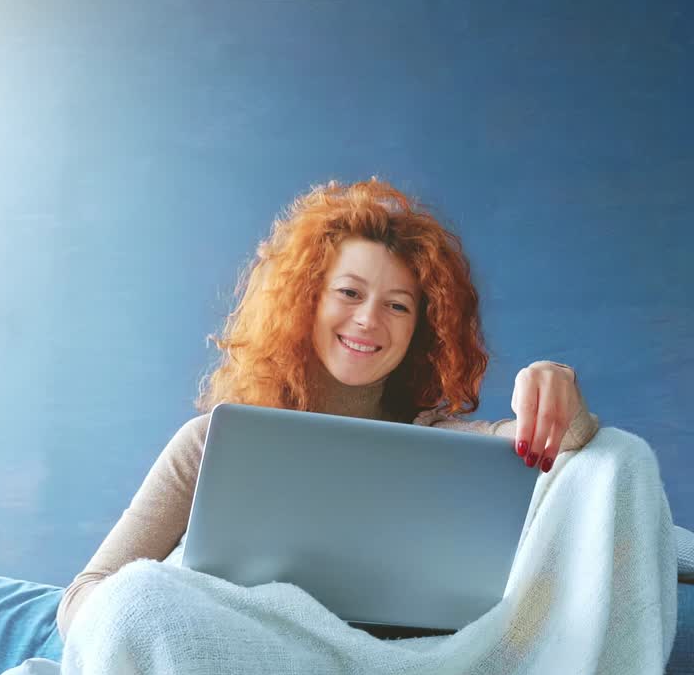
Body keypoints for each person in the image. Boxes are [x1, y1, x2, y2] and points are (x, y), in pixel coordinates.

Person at [56, 176, 599, 641]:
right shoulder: (211, 444)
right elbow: (83, 597)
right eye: (349, 293)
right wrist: (170, 613)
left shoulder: (445, 446)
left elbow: (570, 445)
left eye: (397, 305)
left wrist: (555, 383)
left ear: (420, 330)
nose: (368, 320)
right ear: (305, 301)